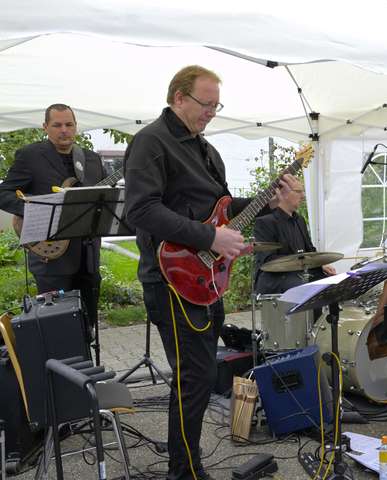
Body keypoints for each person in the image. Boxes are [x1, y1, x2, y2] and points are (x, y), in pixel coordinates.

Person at [124, 65, 293, 480]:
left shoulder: (206, 151)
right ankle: (184, 472)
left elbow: (222, 209)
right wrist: (209, 239)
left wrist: (265, 201)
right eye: (206, 104)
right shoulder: (151, 143)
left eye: (217, 105)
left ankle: (188, 465)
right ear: (178, 97)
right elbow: (141, 210)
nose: (212, 113)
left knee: (201, 377)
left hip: (206, 280)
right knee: (194, 378)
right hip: (172, 279)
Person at [0, 103, 105, 345]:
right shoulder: (30, 156)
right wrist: (34, 210)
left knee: (87, 328)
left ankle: (86, 373)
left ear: (76, 127)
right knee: (56, 327)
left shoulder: (91, 159)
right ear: (45, 127)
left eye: (69, 124)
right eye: (57, 125)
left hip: (88, 256)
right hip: (51, 256)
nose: (64, 130)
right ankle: (59, 375)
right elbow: (4, 192)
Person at [254, 179, 336, 294]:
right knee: (304, 287)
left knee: (332, 283)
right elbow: (267, 259)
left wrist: (321, 265)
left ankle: (332, 313)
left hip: (298, 274)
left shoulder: (300, 220)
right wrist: (296, 261)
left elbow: (310, 250)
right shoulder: (265, 222)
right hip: (275, 279)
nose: (303, 196)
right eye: (299, 191)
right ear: (283, 193)